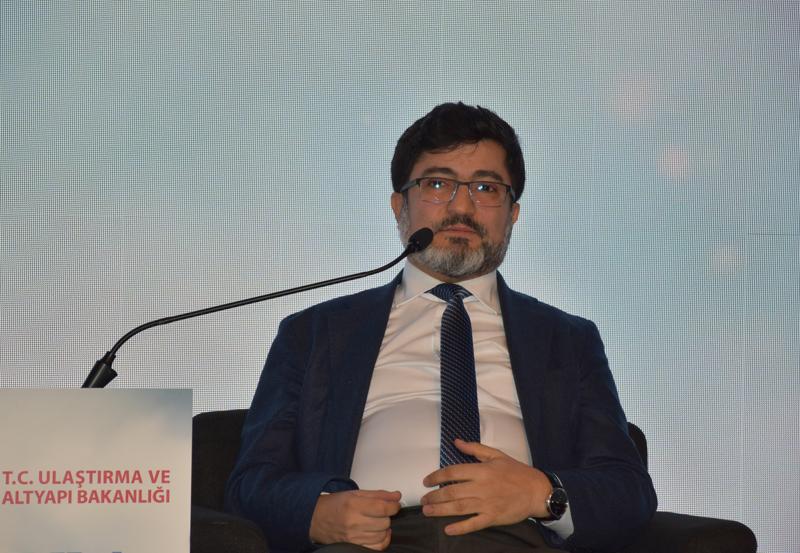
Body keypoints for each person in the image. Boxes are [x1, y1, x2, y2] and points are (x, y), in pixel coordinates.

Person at [225, 102, 657, 553]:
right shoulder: (314, 333)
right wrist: (318, 511)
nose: (462, 206)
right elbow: (251, 483)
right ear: (400, 206)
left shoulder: (568, 340)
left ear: (512, 214)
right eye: (437, 184)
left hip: (516, 540)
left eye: (486, 188)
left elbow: (628, 491)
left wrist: (541, 494)